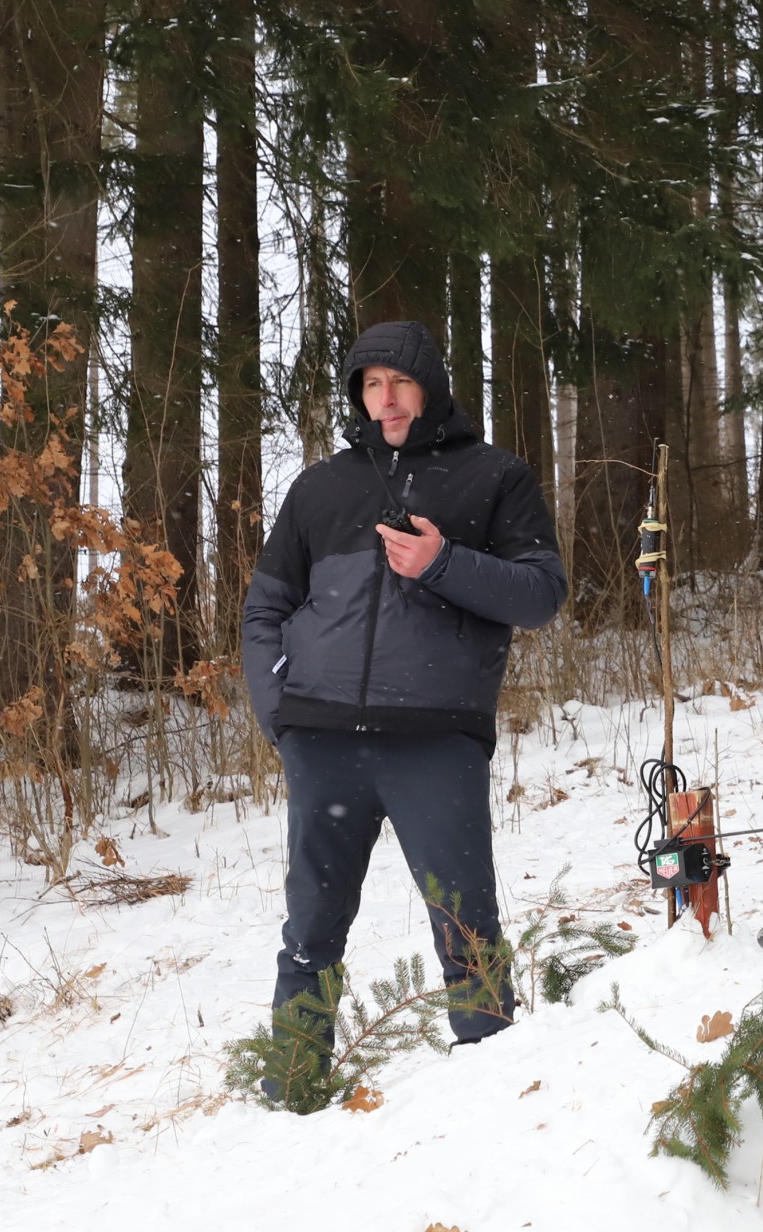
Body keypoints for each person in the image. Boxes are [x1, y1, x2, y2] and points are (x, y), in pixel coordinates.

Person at [243, 320, 568, 1054]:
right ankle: (293, 1080)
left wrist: (442, 562)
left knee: (467, 928)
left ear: (431, 387)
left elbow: (541, 595)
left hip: (435, 739)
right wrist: (280, 714)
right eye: (370, 385)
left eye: (399, 382)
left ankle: (491, 1076)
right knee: (310, 930)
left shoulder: (494, 476)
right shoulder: (320, 487)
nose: (385, 399)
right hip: (322, 737)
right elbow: (265, 609)